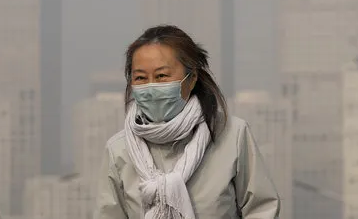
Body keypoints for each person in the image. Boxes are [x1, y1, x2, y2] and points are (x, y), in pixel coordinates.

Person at [95, 25, 280, 219]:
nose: (151, 86)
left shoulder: (232, 134)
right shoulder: (118, 150)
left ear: (191, 79)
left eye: (161, 76)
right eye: (141, 78)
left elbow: (262, 209)